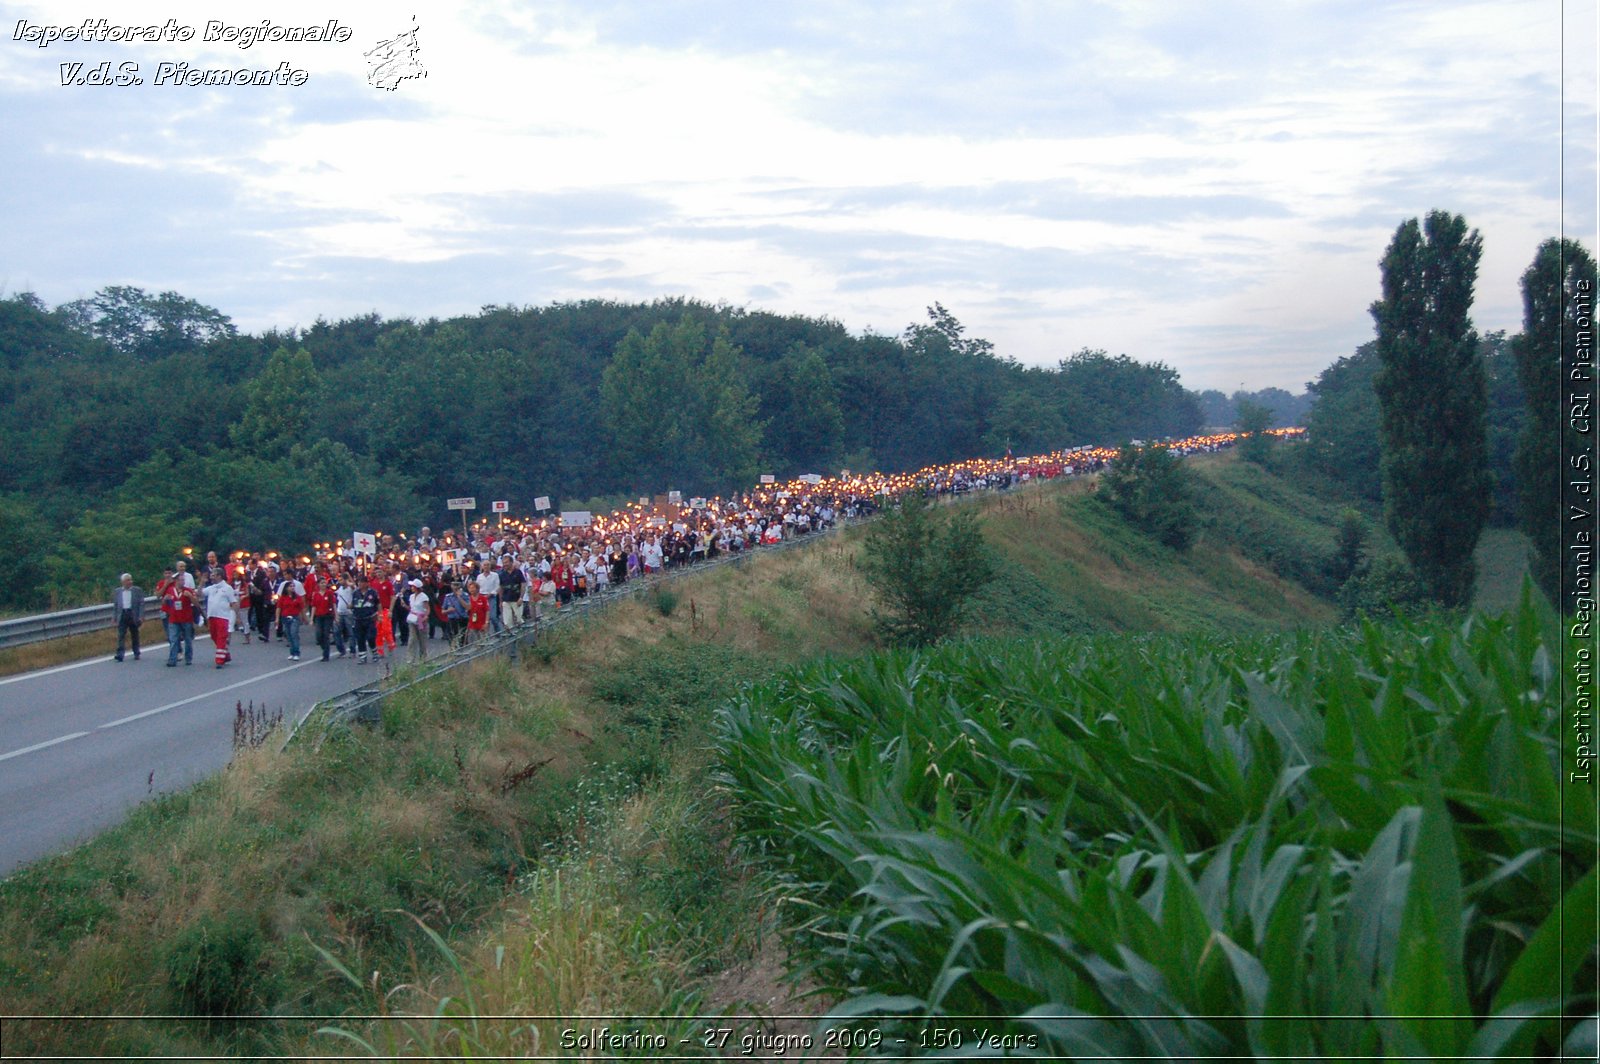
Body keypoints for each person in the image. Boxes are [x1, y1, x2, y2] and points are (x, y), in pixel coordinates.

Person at [201, 570, 238, 668]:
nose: (211, 577)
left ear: (219, 576)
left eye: (213, 575)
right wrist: (201, 583)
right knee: (214, 636)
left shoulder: (227, 588)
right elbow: (199, 593)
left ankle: (219, 660)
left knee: (221, 637)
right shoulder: (211, 588)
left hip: (223, 616)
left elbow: (233, 602)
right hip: (212, 616)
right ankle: (225, 653)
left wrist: (237, 616)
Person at [162, 574, 196, 667]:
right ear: (176, 581)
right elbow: (164, 604)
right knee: (173, 639)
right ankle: (172, 659)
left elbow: (196, 603)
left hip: (186, 618)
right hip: (174, 619)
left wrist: (190, 597)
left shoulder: (188, 591)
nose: (183, 582)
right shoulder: (170, 590)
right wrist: (165, 599)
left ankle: (188, 658)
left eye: (183, 580)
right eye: (181, 580)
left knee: (188, 639)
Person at [112, 572, 144, 662]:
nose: (130, 582)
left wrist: (141, 616)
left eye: (130, 580)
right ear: (123, 582)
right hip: (122, 614)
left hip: (132, 614)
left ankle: (136, 652)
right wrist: (114, 618)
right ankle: (120, 654)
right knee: (121, 635)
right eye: (128, 580)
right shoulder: (117, 591)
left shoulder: (137, 590)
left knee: (135, 634)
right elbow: (116, 605)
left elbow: (141, 603)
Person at [350, 574, 379, 663]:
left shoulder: (373, 592)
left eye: (362, 582)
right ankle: (362, 656)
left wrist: (379, 615)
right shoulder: (355, 593)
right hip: (358, 618)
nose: (360, 584)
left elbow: (378, 604)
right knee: (360, 638)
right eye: (359, 582)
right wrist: (350, 606)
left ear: (367, 583)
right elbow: (353, 603)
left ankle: (374, 653)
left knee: (371, 637)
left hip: (370, 618)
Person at [275, 580, 305, 661]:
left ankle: (296, 653)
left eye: (293, 586)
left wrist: (304, 617)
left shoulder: (297, 597)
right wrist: (277, 618)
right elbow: (279, 608)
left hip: (295, 617)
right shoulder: (283, 598)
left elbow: (302, 608)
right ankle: (292, 652)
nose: (292, 588)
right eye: (290, 586)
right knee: (288, 635)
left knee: (294, 633)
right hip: (285, 617)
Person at [310, 578, 338, 661]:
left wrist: (336, 615)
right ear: (318, 584)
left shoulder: (329, 593)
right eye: (322, 583)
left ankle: (326, 654)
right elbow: (314, 606)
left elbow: (333, 604)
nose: (323, 584)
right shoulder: (316, 594)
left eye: (324, 583)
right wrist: (311, 618)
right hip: (318, 616)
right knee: (319, 634)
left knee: (326, 634)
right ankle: (324, 647)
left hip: (327, 616)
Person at [405, 578, 430, 661]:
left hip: (421, 619)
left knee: (422, 639)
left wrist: (426, 616)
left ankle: (423, 657)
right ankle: (411, 658)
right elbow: (411, 608)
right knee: (412, 638)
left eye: (413, 586)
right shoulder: (411, 596)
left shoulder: (423, 597)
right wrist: (405, 606)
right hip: (412, 618)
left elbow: (427, 608)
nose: (411, 588)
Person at [498, 558, 524, 630]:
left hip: (516, 599)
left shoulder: (518, 572)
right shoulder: (501, 574)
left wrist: (521, 597)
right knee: (507, 622)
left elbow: (523, 585)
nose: (505, 564)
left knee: (519, 619)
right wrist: (500, 601)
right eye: (503, 563)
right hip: (506, 600)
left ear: (511, 562)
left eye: (506, 562)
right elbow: (501, 588)